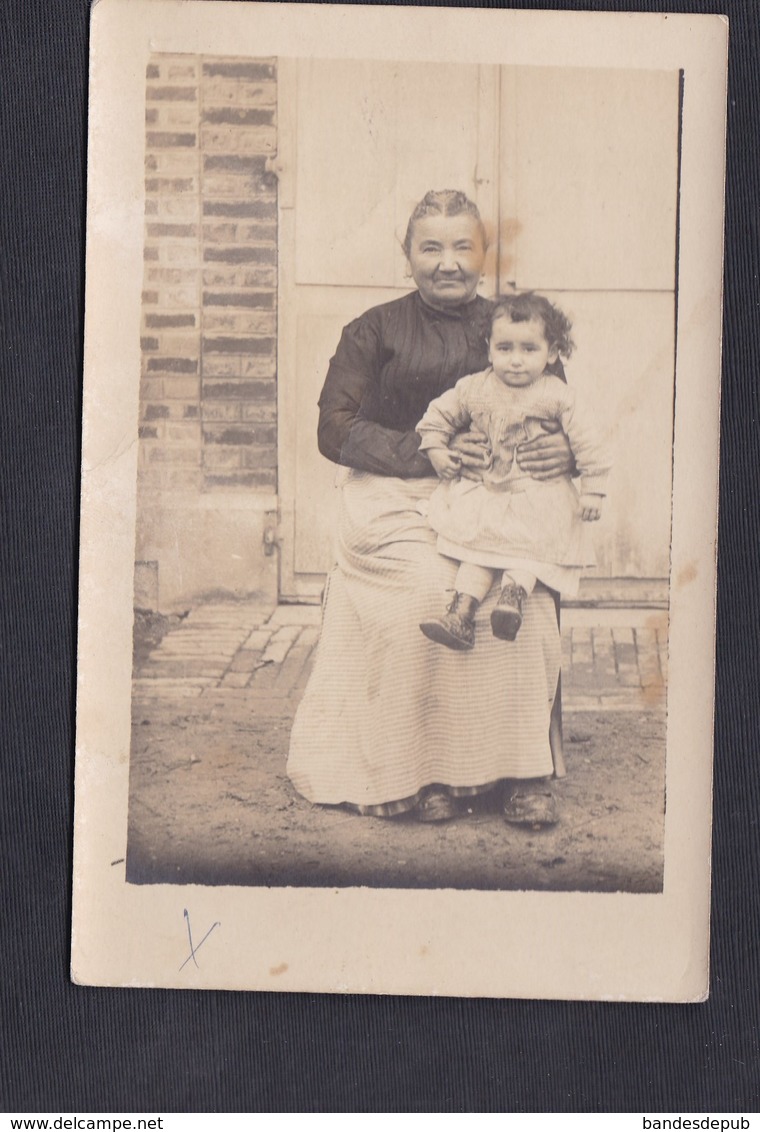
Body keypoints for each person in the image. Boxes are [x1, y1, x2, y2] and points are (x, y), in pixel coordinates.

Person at [286, 190, 575, 826]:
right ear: (407, 255)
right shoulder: (372, 329)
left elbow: (561, 411)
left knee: (519, 595)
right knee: (427, 593)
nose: (448, 262)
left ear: (484, 254)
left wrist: (562, 455)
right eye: (431, 248)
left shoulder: (516, 325)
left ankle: (519, 774)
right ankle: (417, 772)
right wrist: (426, 451)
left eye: (462, 247)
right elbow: (333, 429)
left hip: (488, 499)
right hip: (390, 497)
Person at [417, 291, 611, 651]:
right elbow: (437, 417)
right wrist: (436, 449)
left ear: (551, 352)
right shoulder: (474, 388)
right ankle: (461, 613)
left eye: (529, 349)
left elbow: (588, 440)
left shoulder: (557, 395)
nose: (516, 361)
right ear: (489, 347)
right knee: (477, 550)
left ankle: (513, 596)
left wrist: (594, 488)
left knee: (528, 549)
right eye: (505, 349)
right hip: (489, 490)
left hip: (538, 493)